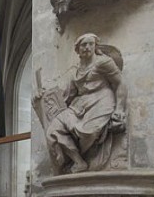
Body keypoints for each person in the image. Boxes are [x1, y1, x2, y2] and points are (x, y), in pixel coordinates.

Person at [45, 33, 126, 174]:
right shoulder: (75, 70)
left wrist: (119, 109)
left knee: (89, 132)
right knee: (53, 130)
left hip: (102, 100)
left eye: (91, 44)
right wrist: (43, 97)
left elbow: (120, 83)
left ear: (95, 46)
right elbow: (66, 96)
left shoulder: (103, 62)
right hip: (80, 105)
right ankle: (78, 161)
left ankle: (82, 158)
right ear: (77, 49)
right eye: (83, 45)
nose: (87, 47)